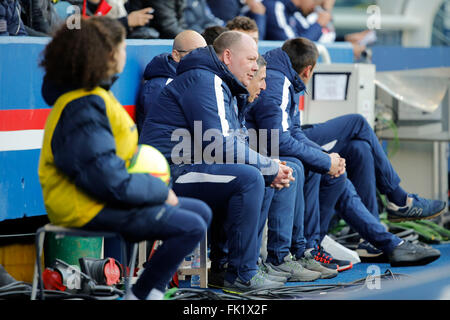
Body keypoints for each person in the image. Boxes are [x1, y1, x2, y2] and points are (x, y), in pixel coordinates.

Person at [38, 16, 212, 300]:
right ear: (106, 55)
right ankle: (143, 294)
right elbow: (101, 177)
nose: (124, 53)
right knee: (190, 225)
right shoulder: (83, 104)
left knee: (200, 213)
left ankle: (147, 290)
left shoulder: (92, 96)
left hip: (99, 197)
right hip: (84, 206)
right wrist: (156, 191)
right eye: (121, 47)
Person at [246, 37, 443, 268]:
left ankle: (373, 240)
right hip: (267, 151)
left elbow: (292, 131)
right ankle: (398, 200)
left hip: (277, 144)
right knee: (357, 123)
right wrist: (323, 159)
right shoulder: (278, 81)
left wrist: (327, 158)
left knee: (356, 150)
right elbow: (279, 139)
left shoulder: (282, 76)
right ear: (308, 70)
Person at [139, 31, 294, 291]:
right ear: (228, 56)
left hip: (191, 166)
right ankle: (242, 274)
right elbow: (219, 144)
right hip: (168, 173)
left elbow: (233, 143)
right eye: (251, 59)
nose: (256, 67)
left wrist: (270, 166)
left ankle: (229, 267)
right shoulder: (205, 78)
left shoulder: (222, 82)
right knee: (251, 177)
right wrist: (268, 166)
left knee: (260, 174)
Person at [136, 29, 207, 133]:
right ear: (176, 55)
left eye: (204, 53)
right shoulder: (159, 87)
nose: (202, 59)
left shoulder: (197, 80)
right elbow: (159, 132)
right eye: (194, 52)